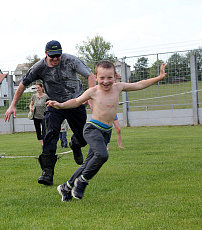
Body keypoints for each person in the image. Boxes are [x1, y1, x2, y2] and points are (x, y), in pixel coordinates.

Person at [47, 60, 166, 201]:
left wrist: (159, 77)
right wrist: (60, 105)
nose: (106, 81)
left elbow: (140, 84)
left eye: (109, 77)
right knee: (102, 155)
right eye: (102, 78)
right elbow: (76, 101)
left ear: (115, 76)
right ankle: (82, 182)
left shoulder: (118, 87)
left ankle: (66, 187)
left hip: (106, 132)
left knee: (90, 163)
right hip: (92, 129)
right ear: (96, 78)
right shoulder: (93, 91)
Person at [4, 40, 96, 186]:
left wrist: (90, 96)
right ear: (46, 54)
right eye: (52, 56)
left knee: (84, 137)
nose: (55, 59)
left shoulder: (71, 60)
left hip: (75, 103)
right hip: (54, 105)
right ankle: (47, 172)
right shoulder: (39, 67)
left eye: (58, 56)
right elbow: (23, 84)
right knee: (49, 135)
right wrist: (12, 105)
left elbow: (90, 76)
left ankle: (76, 144)